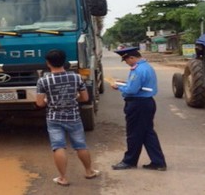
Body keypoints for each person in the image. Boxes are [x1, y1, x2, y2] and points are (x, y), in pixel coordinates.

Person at [36, 49, 100, 186]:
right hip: (73, 116)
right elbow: (85, 98)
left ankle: (63, 178)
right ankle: (89, 171)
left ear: (48, 63)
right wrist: (74, 97)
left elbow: (40, 103)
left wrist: (49, 100)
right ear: (64, 62)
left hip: (53, 118)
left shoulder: (43, 80)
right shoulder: (76, 77)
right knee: (80, 145)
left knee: (58, 146)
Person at [110, 47, 167, 171]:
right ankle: (158, 162)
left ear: (132, 58)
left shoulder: (138, 70)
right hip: (146, 103)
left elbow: (132, 90)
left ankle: (129, 161)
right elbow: (139, 85)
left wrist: (118, 87)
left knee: (134, 134)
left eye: (126, 60)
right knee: (147, 133)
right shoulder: (146, 67)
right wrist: (124, 83)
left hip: (138, 104)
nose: (126, 63)